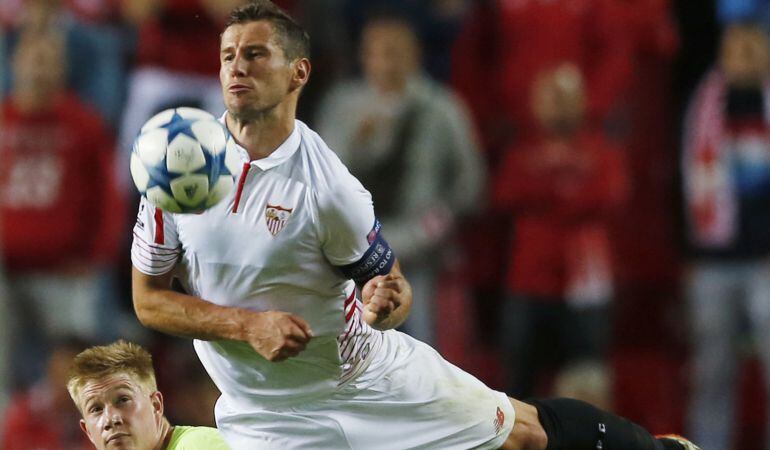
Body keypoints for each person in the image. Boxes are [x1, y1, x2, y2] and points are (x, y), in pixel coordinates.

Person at [130, 1, 700, 449]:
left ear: (298, 72)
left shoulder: (329, 191)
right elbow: (149, 299)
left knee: (523, 434)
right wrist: (246, 327)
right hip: (263, 414)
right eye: (229, 55)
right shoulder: (175, 161)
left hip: (363, 381)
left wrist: (386, 300)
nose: (237, 68)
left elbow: (390, 285)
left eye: (256, 55)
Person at [316, 12, 485, 345]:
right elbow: (322, 181)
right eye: (376, 51)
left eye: (394, 51)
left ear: (415, 54)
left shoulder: (442, 108)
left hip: (420, 254)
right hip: (353, 252)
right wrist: (358, 143)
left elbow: (470, 184)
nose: (384, 61)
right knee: (352, 351)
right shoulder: (341, 106)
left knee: (422, 352)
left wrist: (432, 227)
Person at [492, 63, 628, 399]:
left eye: (565, 98)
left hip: (585, 283)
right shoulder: (519, 152)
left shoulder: (604, 151)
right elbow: (506, 194)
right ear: (535, 103)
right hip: (528, 280)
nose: (558, 106)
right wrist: (568, 184)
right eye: (550, 98)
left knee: (589, 382)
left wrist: (547, 186)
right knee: (518, 388)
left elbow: (608, 195)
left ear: (582, 102)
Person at [682, 22, 770, 450]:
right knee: (712, 373)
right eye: (736, 50)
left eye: (754, 49)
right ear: (722, 55)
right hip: (714, 262)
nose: (745, 58)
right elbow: (683, 186)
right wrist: (690, 252)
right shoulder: (703, 107)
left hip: (766, 263)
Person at [66, 340, 231, 450]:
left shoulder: (198, 445)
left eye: (123, 400)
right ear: (88, 431)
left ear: (156, 406)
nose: (110, 419)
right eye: (96, 409)